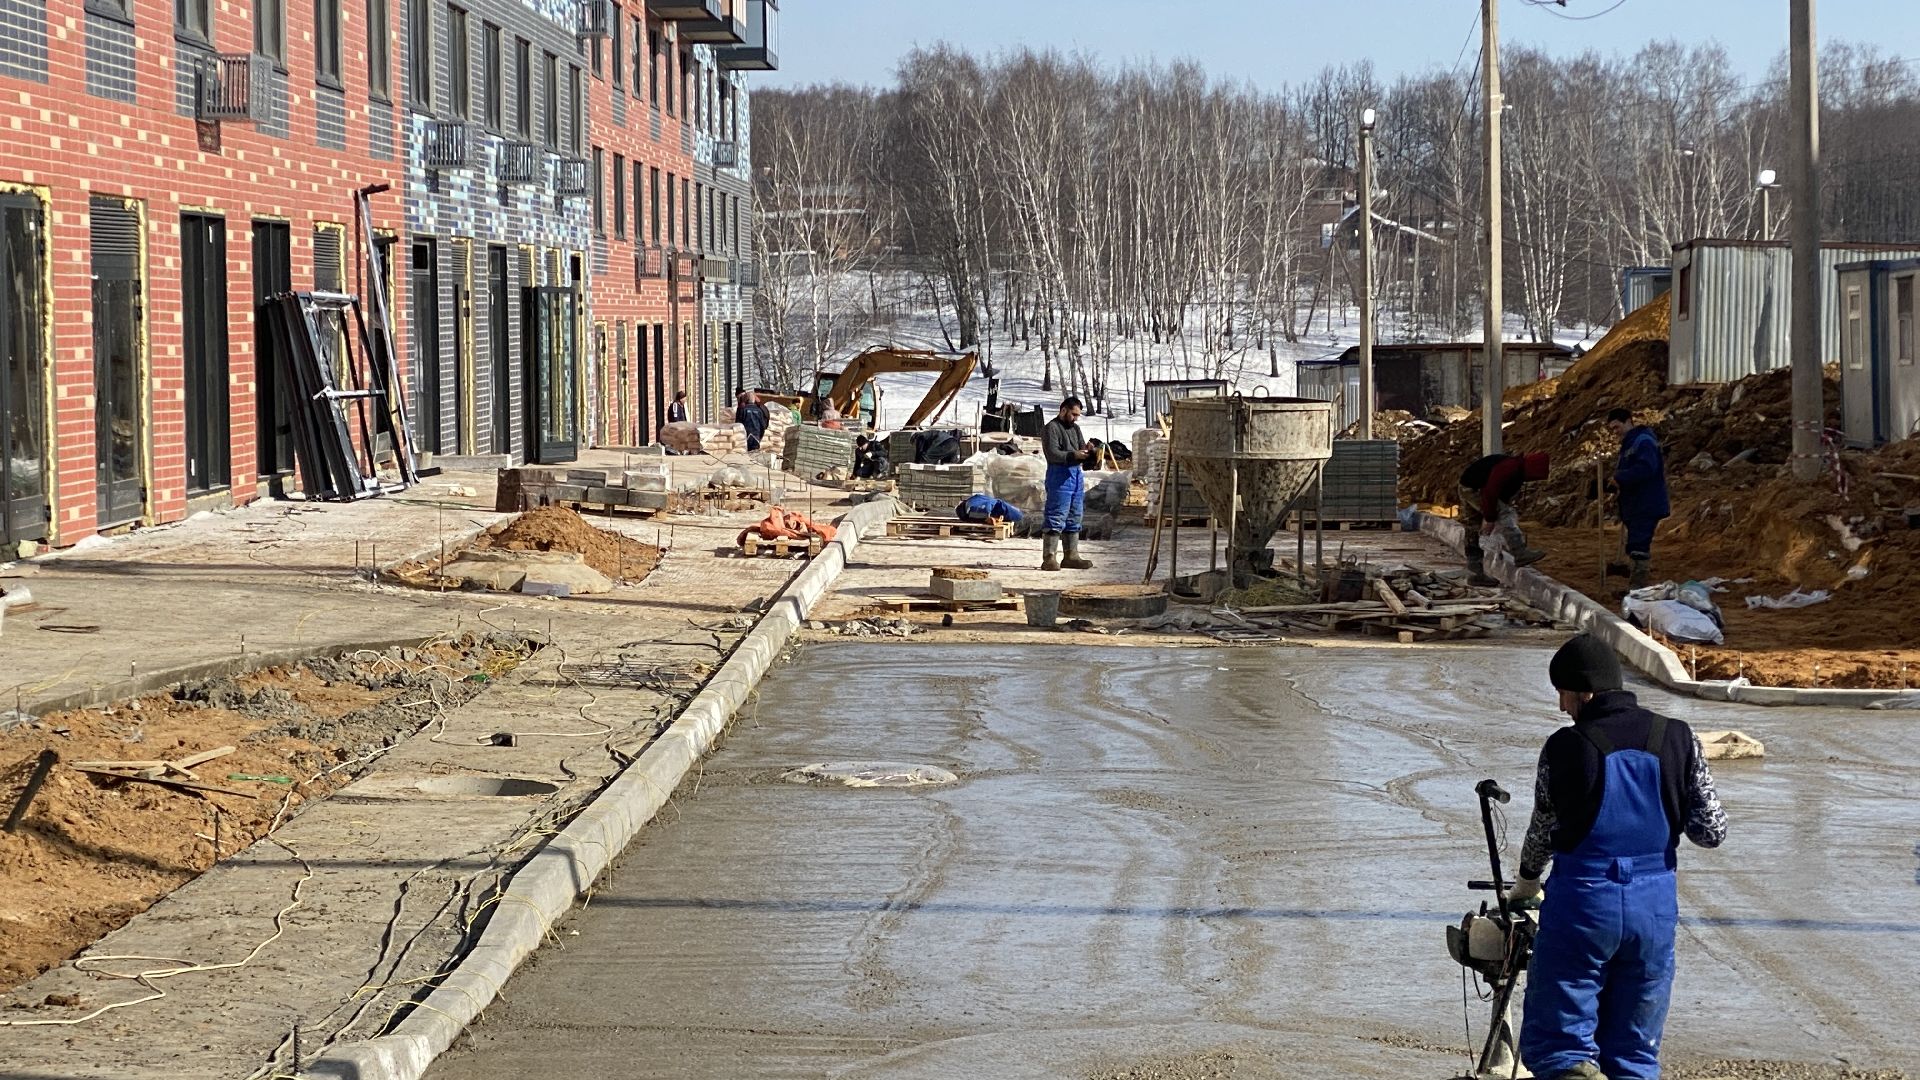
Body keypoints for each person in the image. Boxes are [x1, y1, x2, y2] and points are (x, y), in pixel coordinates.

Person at [1512, 634, 1727, 1080]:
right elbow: (1711, 832)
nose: (1562, 707)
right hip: (1654, 911)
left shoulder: (1564, 747)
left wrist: (1527, 880)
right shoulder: (1679, 737)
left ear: (1586, 693)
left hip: (1583, 904)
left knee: (1562, 1047)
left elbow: (1543, 829)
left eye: (1564, 694)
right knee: (1634, 1052)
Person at [1459, 451, 1550, 584]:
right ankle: (1520, 552)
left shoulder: (1515, 470)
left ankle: (1475, 572)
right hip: (1474, 489)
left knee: (1472, 528)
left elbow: (1502, 496)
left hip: (1466, 485)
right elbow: (1490, 493)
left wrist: (1489, 516)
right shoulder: (1508, 469)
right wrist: (1490, 518)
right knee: (1504, 514)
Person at [1607, 408, 1670, 589]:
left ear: (1628, 421)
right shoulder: (1629, 444)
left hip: (1646, 503)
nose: (1615, 432)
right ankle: (1635, 589)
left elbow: (1646, 469)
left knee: (1639, 547)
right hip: (1636, 504)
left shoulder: (1643, 442)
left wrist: (1620, 478)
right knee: (1635, 545)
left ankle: (1638, 590)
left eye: (1616, 427)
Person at [1041, 397, 1097, 572]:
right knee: (1056, 515)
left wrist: (1090, 452)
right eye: (1073, 414)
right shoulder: (1051, 428)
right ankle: (1049, 558)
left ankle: (1071, 556)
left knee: (1074, 516)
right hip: (1059, 476)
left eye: (1078, 415)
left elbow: (1081, 449)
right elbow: (1052, 454)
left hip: (1075, 477)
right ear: (1063, 410)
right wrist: (1074, 455)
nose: (1075, 418)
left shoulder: (1075, 428)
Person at [956, 493, 1023, 527]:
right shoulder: (973, 501)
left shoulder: (973, 501)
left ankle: (989, 518)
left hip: (994, 508)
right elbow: (989, 503)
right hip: (995, 508)